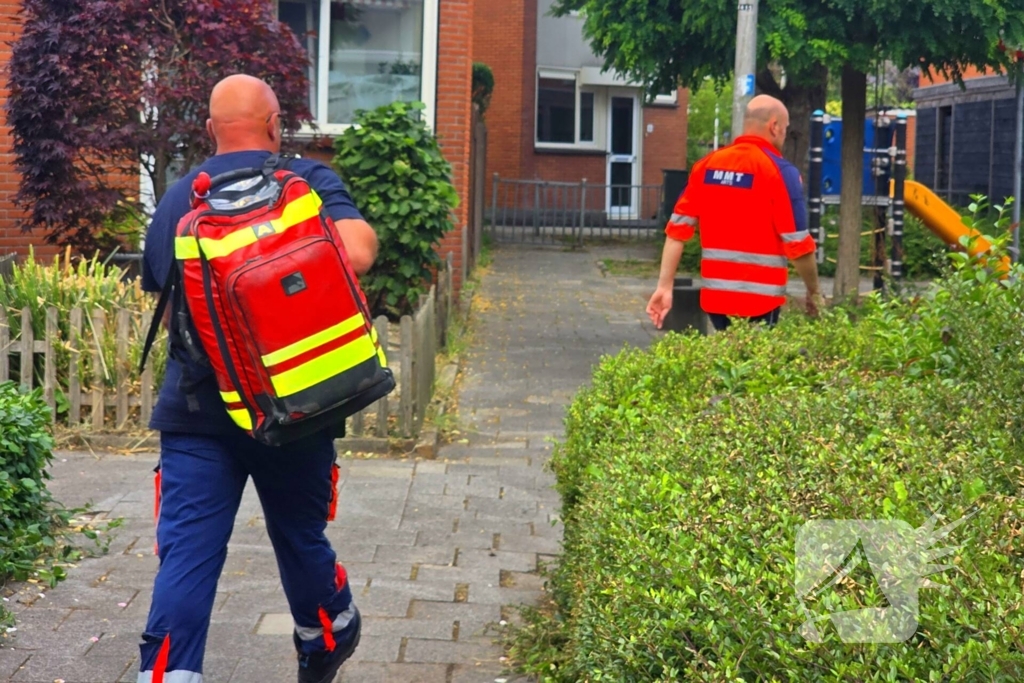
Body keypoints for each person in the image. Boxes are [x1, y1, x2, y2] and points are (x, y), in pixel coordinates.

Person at [137, 74, 379, 683]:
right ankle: (328, 633)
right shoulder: (306, 183)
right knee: (299, 536)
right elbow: (357, 252)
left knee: (187, 556)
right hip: (294, 403)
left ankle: (167, 675)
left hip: (198, 412)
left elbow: (173, 311)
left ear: (211, 130)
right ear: (275, 125)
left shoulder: (178, 200)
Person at [646, 94, 822, 332]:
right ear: (774, 126)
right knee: (754, 366)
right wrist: (814, 291)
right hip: (762, 302)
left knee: (726, 364)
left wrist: (664, 287)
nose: (784, 135)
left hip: (716, 300)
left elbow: (677, 232)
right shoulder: (781, 172)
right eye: (785, 129)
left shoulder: (706, 166)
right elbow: (798, 245)